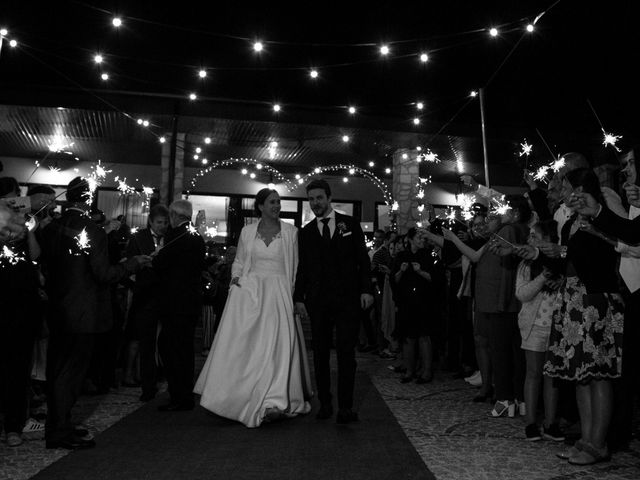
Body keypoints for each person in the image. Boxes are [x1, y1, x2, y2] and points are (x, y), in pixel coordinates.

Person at [40, 177, 150, 449]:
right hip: (83, 313)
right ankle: (58, 433)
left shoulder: (51, 228)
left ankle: (58, 424)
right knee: (72, 374)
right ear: (89, 199)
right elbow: (104, 274)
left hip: (56, 309)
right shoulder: (93, 230)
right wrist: (133, 264)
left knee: (56, 371)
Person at [195, 188, 312, 427]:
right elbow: (239, 261)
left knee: (277, 345)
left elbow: (298, 266)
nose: (277, 206)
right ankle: (239, 393)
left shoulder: (291, 232)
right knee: (248, 345)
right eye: (272, 202)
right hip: (252, 294)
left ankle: (275, 398)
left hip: (279, 293)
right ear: (260, 206)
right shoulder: (248, 232)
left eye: (278, 202)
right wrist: (236, 279)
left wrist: (295, 295)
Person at [545, 168, 624, 465]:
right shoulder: (570, 222)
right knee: (581, 375)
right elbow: (571, 257)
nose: (562, 190)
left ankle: (598, 442)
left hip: (597, 298)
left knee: (599, 373)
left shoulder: (600, 212)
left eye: (566, 185)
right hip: (574, 297)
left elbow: (608, 254)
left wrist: (563, 252)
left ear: (580, 187)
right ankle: (586, 438)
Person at [294, 179, 373, 424]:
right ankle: (325, 403)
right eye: (311, 199)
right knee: (319, 354)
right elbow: (303, 268)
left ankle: (346, 407)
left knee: (346, 354)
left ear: (329, 198)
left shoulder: (349, 224)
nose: (315, 203)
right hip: (318, 302)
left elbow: (362, 260)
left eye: (319, 198)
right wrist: (299, 298)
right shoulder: (305, 232)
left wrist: (366, 290)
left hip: (347, 300)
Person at [153, 199, 205, 412]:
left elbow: (161, 265)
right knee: (185, 350)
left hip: (173, 302)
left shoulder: (173, 236)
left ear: (174, 216)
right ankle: (185, 394)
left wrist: (155, 257)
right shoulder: (197, 238)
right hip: (191, 301)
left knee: (170, 348)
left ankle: (179, 396)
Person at [123, 204, 169, 401]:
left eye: (166, 223)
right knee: (145, 342)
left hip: (165, 294)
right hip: (144, 294)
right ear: (151, 221)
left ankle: (163, 378)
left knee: (165, 342)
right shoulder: (138, 238)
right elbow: (129, 264)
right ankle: (147, 386)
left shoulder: (171, 238)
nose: (163, 226)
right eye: (159, 222)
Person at [392, 227, 439, 384]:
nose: (422, 240)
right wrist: (401, 271)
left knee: (424, 336)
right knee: (408, 336)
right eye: (419, 238)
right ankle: (409, 370)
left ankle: (426, 371)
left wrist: (420, 272)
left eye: (423, 238)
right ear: (410, 239)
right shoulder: (401, 256)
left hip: (424, 300)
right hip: (406, 301)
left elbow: (434, 279)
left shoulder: (427, 255)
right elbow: (395, 280)